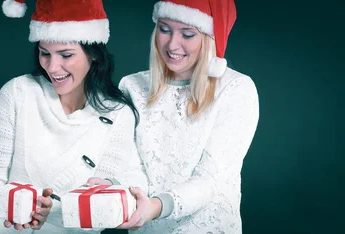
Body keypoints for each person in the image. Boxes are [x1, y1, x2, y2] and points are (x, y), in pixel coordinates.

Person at [0, 0, 149, 233]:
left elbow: (105, 203)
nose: (53, 67)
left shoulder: (118, 114)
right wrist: (16, 205)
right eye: (44, 53)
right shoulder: (18, 92)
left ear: (94, 53)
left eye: (66, 55)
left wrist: (52, 209)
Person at [88, 0, 259, 233]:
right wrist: (115, 185)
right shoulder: (133, 86)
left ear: (209, 39)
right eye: (164, 29)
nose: (171, 44)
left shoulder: (236, 88)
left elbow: (211, 179)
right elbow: (133, 165)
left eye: (187, 34)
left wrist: (156, 206)